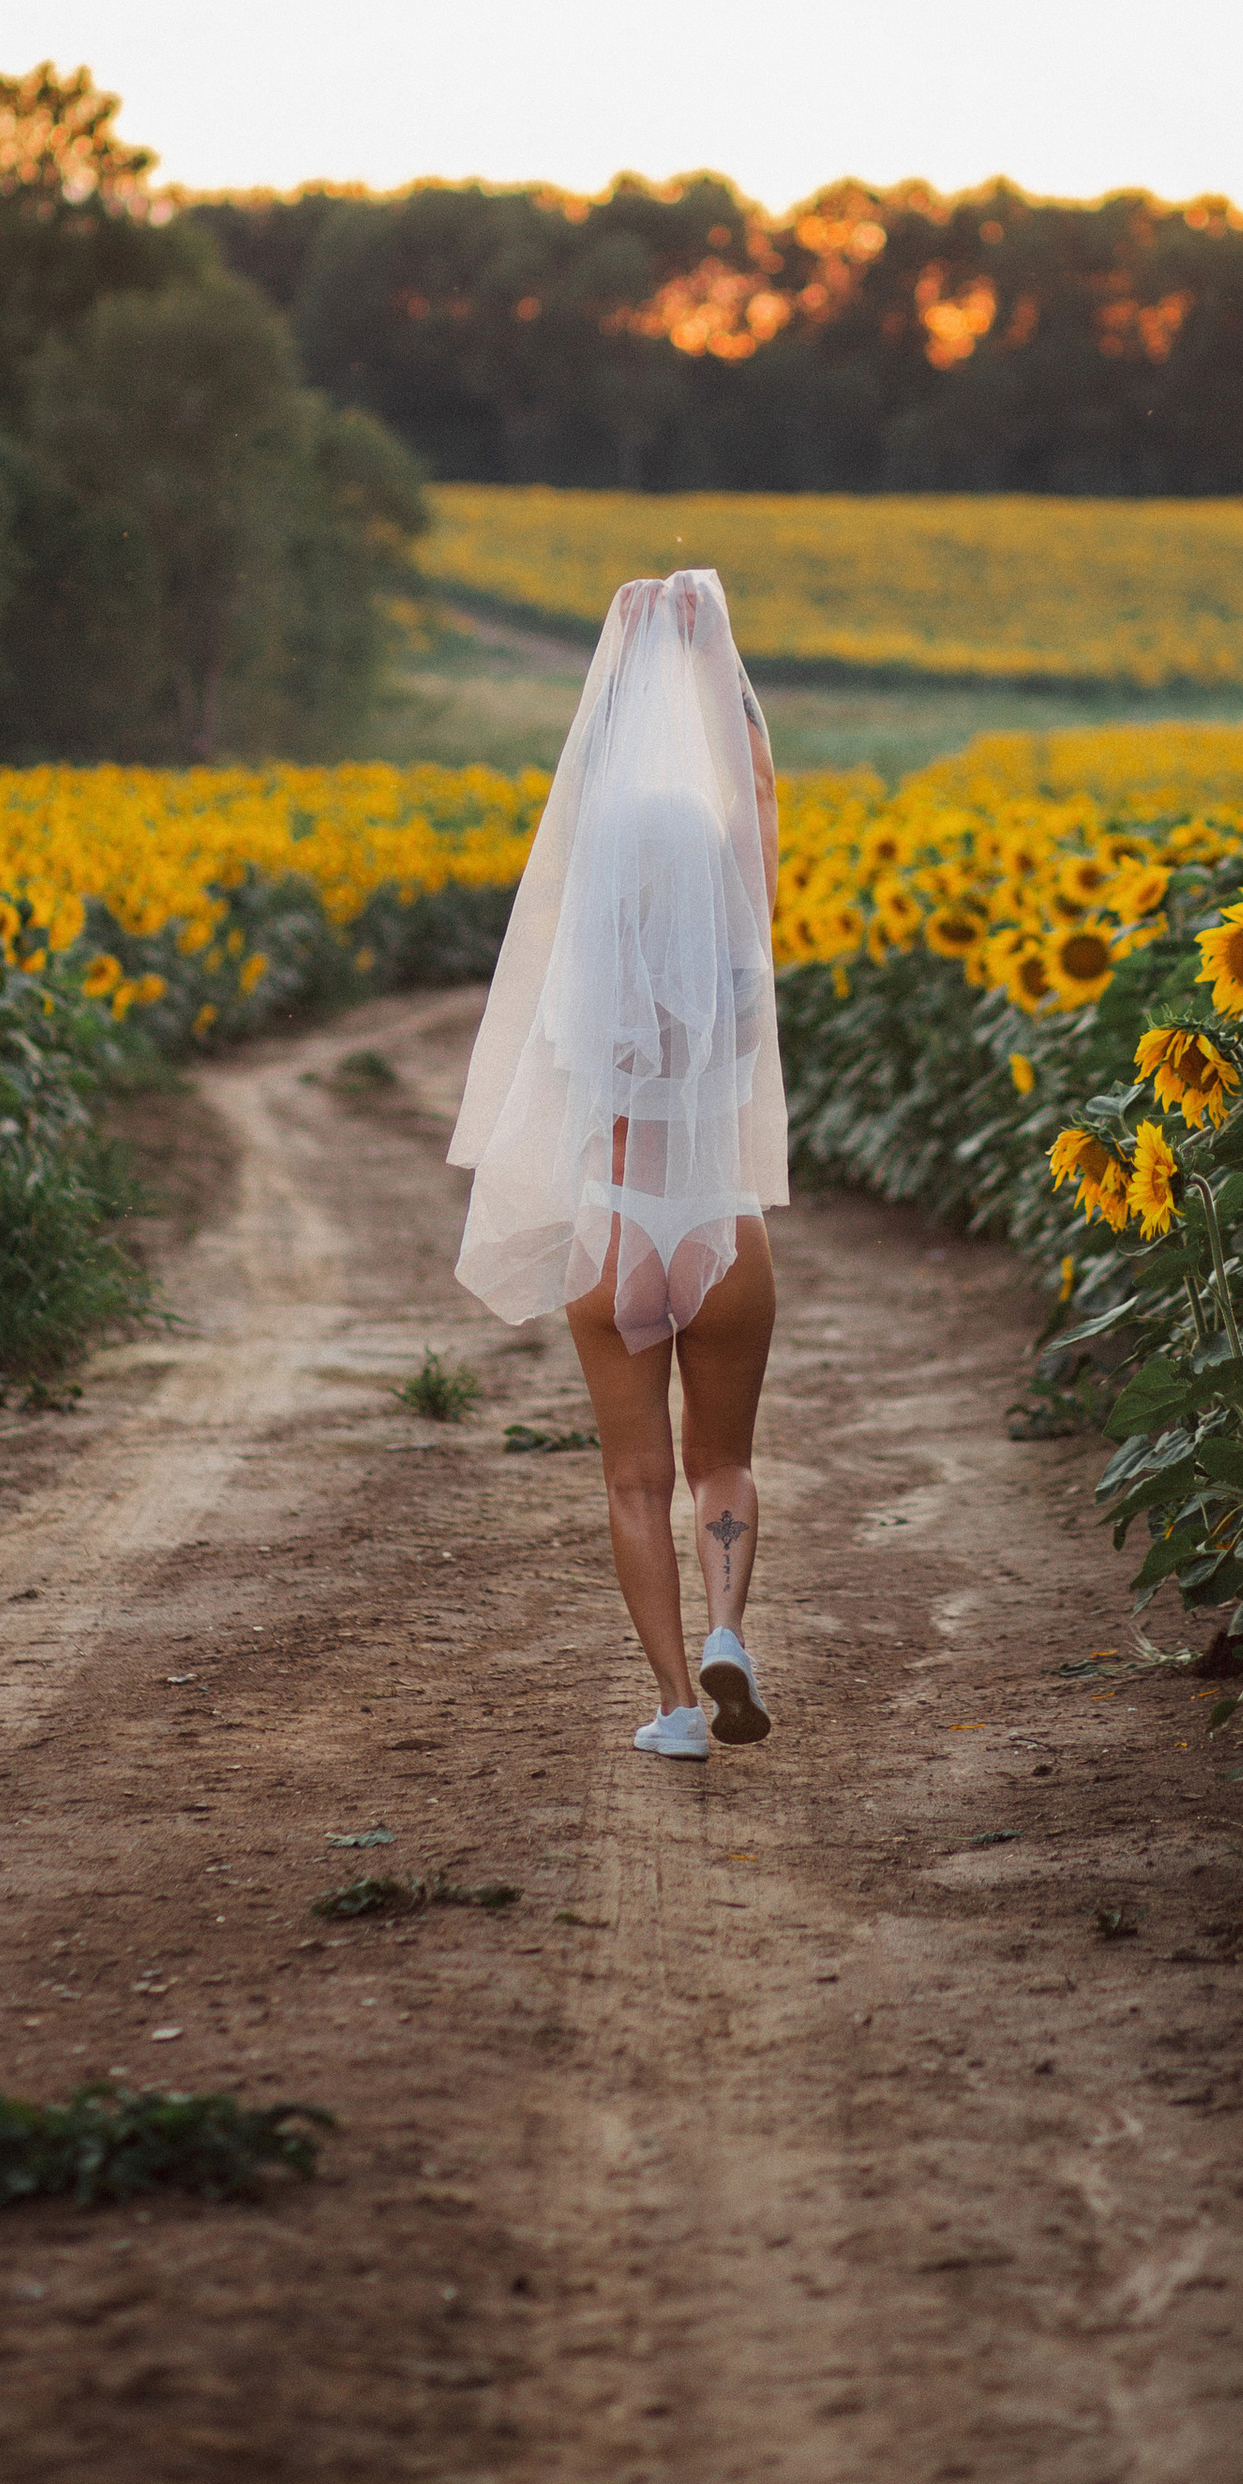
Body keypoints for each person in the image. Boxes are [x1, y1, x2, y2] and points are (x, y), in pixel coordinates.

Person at [449, 568, 786, 1760]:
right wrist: (704, 655)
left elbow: (584, 800)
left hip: (619, 1235)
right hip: (720, 1229)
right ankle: (731, 1631)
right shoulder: (735, 947)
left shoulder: (585, 963)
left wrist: (623, 666)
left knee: (633, 1483)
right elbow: (751, 797)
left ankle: (673, 1711)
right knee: (725, 1462)